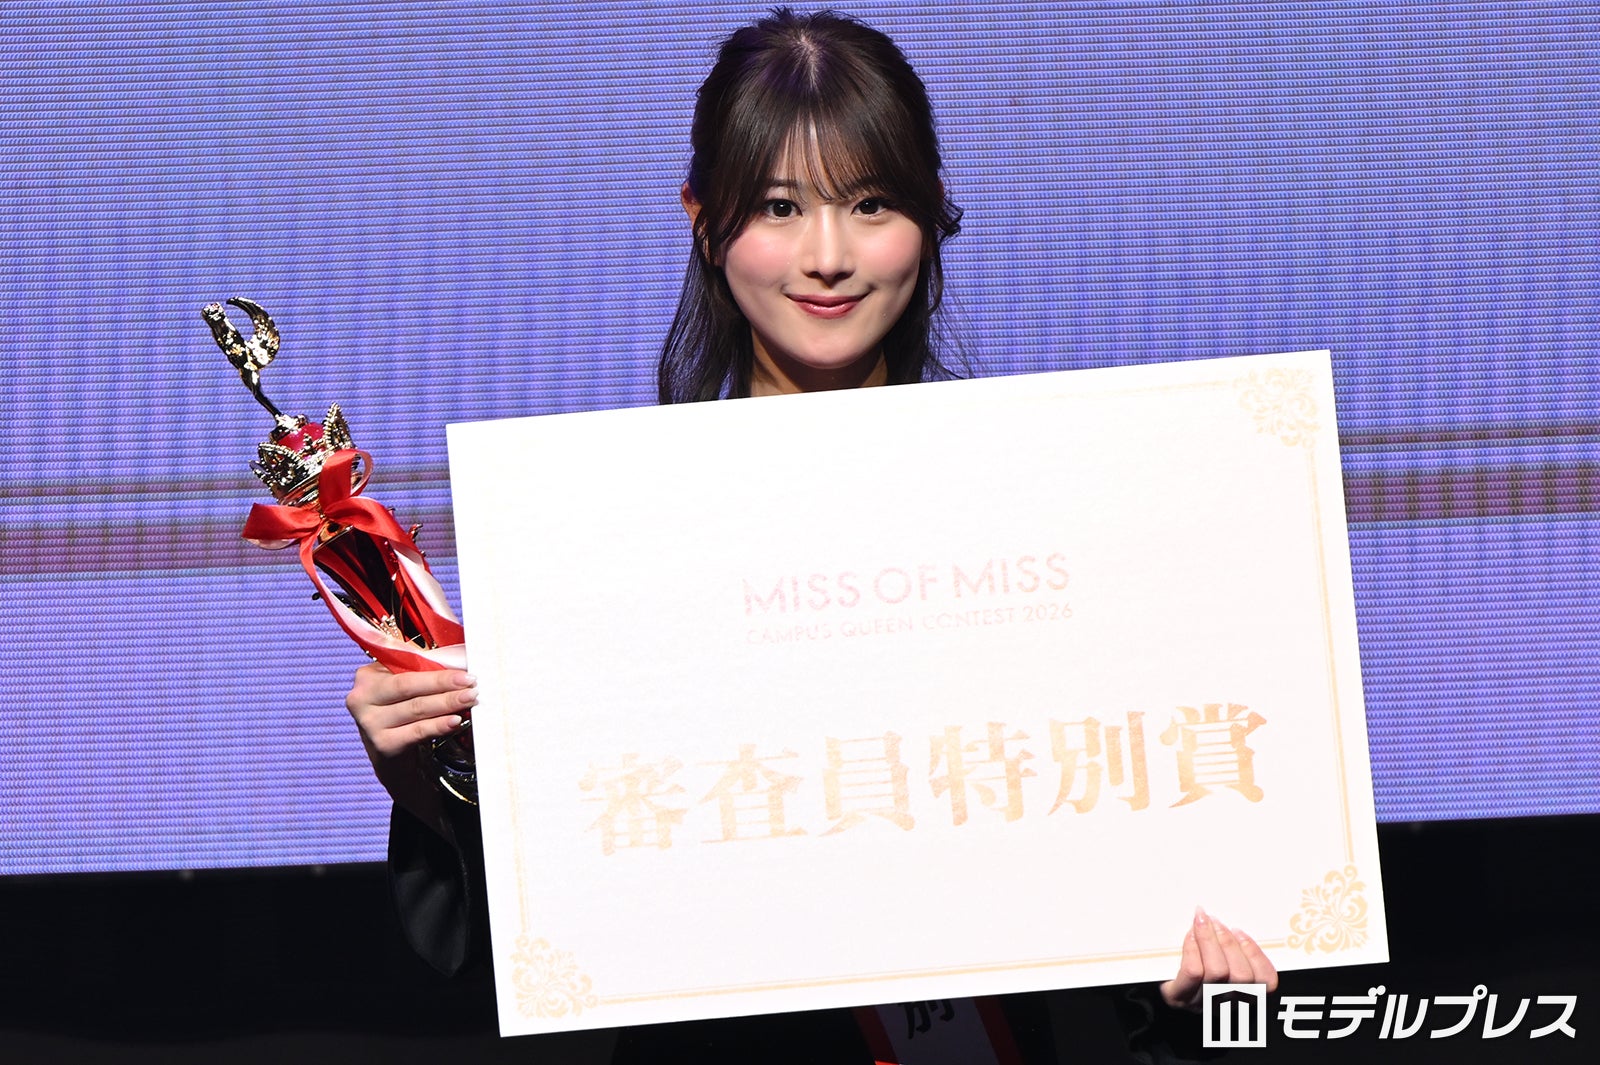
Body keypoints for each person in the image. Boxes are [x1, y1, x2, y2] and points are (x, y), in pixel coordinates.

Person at [345, 8, 1277, 1061]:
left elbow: (1138, 867)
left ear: (929, 215)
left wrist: (1211, 1001)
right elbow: (529, 937)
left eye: (871, 204)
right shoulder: (615, 542)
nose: (828, 257)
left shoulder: (1049, 507)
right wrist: (433, 788)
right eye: (780, 208)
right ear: (705, 220)